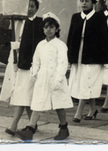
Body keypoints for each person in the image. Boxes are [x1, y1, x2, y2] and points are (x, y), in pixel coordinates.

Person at [16, 12, 73, 141]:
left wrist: (58, 79)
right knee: (38, 102)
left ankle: (64, 128)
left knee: (58, 103)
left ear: (57, 29)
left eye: (51, 27)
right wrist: (33, 72)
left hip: (55, 77)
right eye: (46, 27)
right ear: (43, 29)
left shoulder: (60, 45)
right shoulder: (40, 44)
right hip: (43, 77)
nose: (48, 30)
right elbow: (36, 61)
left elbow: (63, 63)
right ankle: (30, 129)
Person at [0, 0, 45, 136]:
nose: (29, 9)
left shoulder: (39, 22)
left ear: (37, 8)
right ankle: (31, 124)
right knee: (22, 93)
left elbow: (39, 44)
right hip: (19, 62)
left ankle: (16, 125)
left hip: (32, 64)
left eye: (32, 6)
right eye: (27, 6)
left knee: (26, 94)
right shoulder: (19, 21)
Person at [67, 0, 108, 123]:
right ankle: (92, 109)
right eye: (82, 1)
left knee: (87, 82)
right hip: (78, 56)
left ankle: (79, 112)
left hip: (93, 57)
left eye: (87, 1)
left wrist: (105, 59)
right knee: (83, 83)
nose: (84, 3)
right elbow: (70, 38)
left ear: (93, 3)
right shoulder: (75, 17)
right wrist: (69, 57)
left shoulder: (99, 18)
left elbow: (104, 39)